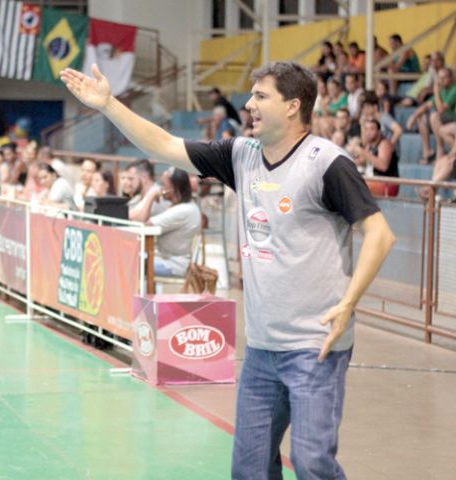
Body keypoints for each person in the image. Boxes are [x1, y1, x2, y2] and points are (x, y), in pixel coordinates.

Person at [61, 61, 395, 478]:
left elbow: (379, 235)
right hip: (261, 349)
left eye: (261, 96)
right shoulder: (241, 156)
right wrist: (108, 104)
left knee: (313, 464)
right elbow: (163, 144)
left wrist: (348, 304)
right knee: (249, 468)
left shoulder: (326, 163)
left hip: (316, 347)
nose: (249, 104)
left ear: (293, 106)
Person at [130, 168, 201, 277]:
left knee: (131, 263)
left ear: (173, 188)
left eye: (164, 185)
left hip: (172, 264)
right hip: (169, 259)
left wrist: (151, 195)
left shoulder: (182, 210)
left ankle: (140, 294)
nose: (161, 189)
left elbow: (145, 224)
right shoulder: (188, 206)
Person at [406, 67, 456, 164]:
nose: (441, 81)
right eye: (439, 78)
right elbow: (427, 105)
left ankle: (440, 150)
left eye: (444, 78)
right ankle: (427, 152)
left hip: (453, 118)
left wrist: (436, 90)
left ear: (451, 78)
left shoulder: (454, 89)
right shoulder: (443, 89)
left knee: (434, 116)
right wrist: (413, 117)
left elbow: (441, 109)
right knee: (422, 118)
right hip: (446, 120)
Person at [349, 118, 400, 197]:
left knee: (356, 184)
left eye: (372, 129)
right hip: (373, 180)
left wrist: (362, 152)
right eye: (366, 129)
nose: (368, 132)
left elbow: (383, 166)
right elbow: (362, 162)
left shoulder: (385, 144)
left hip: (387, 184)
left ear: (379, 132)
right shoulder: (369, 146)